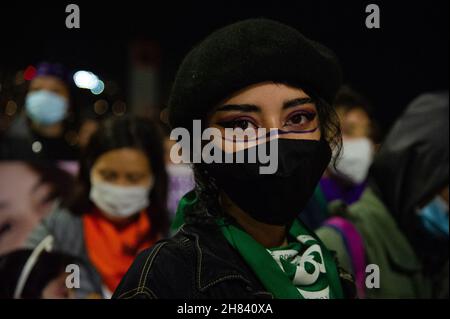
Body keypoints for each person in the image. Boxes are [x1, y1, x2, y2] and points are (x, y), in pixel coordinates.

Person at [114, 19, 355, 299]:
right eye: (241, 125)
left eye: (298, 118)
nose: (274, 143)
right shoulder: (167, 278)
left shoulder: (329, 266)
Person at [317, 91, 449, 298]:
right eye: (350, 130)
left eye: (368, 133)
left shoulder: (434, 247)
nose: (363, 143)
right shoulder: (328, 231)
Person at [26, 115, 169, 298]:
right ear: (89, 171)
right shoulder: (58, 228)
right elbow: (21, 278)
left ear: (154, 179)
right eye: (109, 175)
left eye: (133, 178)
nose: (120, 187)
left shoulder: (173, 236)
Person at [5, 62, 79, 160]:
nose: (45, 96)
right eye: (37, 89)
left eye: (55, 91)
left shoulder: (78, 146)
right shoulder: (8, 146)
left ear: (69, 100)